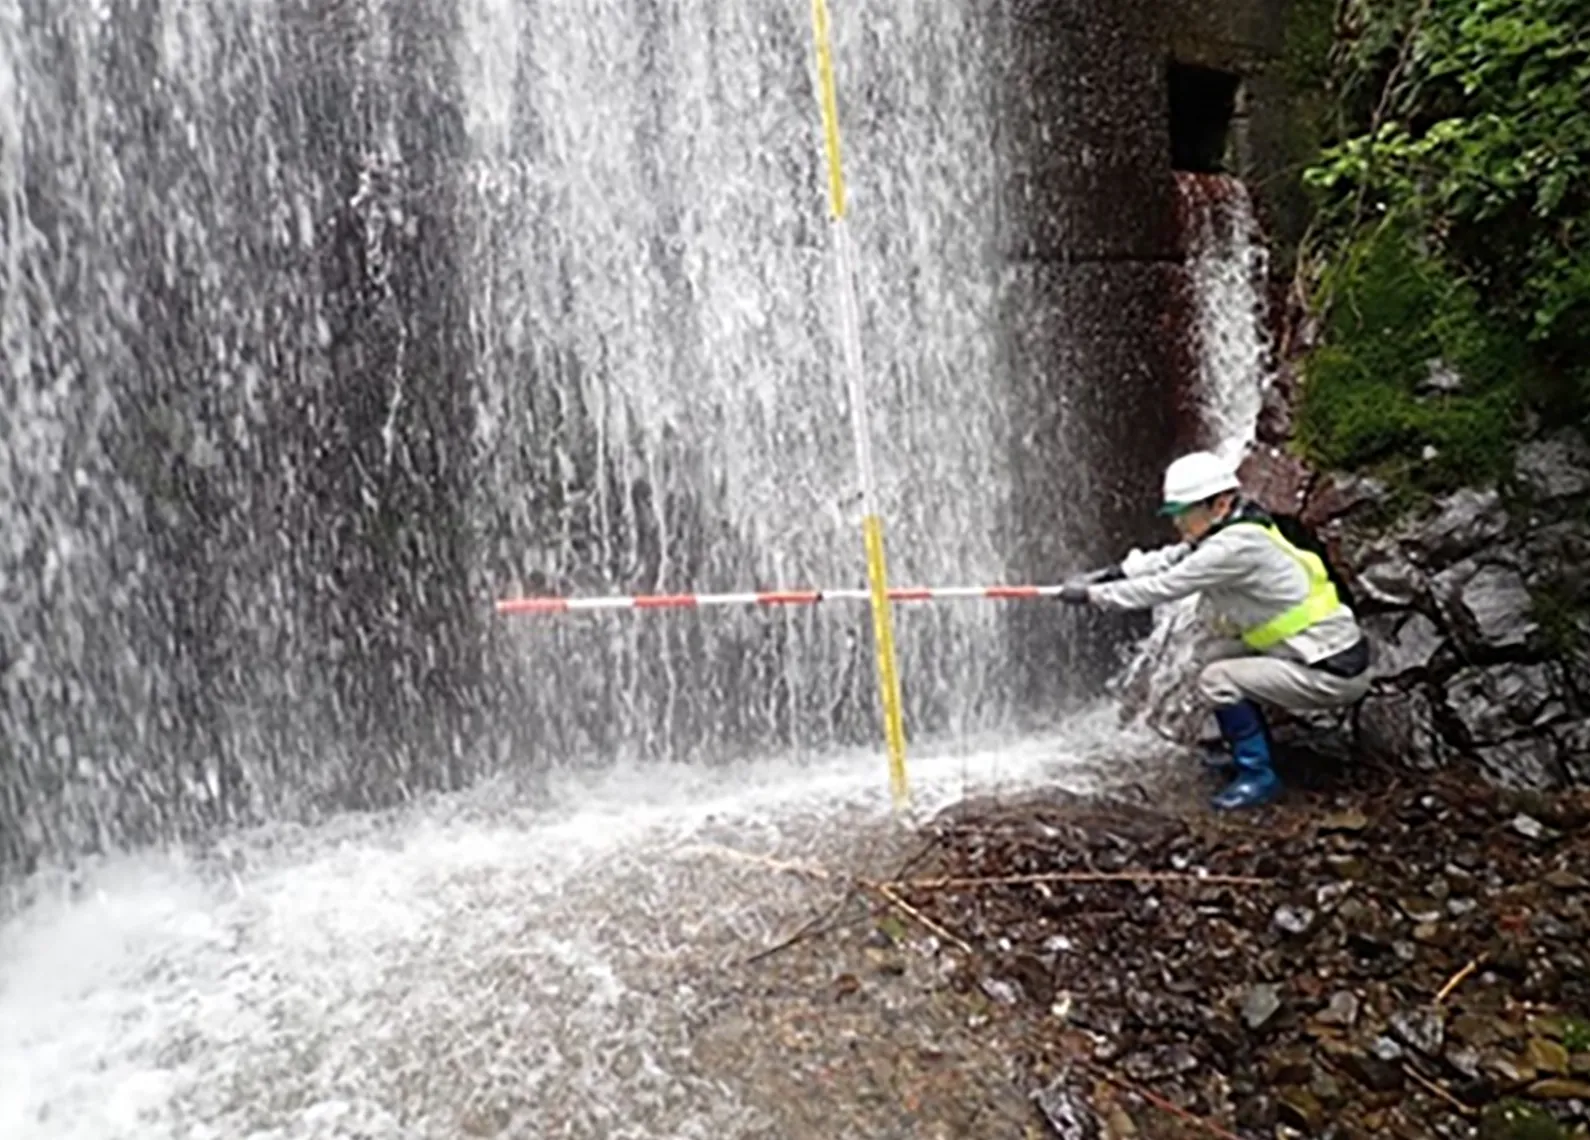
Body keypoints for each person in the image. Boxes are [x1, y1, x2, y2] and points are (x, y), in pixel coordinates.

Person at [1059, 450, 1372, 810]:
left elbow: (1166, 585)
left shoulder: (1237, 547)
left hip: (1331, 671)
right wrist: (1112, 574)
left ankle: (1259, 776)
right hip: (1305, 650)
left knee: (1217, 678)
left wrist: (1092, 596)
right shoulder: (1232, 528)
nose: (1178, 523)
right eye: (1174, 514)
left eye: (1183, 513)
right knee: (1210, 654)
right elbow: (1169, 558)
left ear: (1220, 504)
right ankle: (1246, 750)